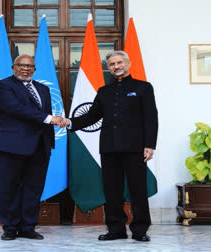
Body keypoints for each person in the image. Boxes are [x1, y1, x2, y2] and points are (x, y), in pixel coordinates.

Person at [67, 50, 158, 242]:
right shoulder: (104, 92)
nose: (116, 66)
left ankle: (140, 230)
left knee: (138, 190)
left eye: (119, 62)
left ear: (128, 63)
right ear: (108, 68)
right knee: (111, 190)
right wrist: (69, 122)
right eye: (112, 64)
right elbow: (91, 117)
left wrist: (150, 145)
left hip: (135, 147)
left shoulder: (143, 87)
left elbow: (151, 118)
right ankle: (116, 229)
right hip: (109, 148)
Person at [0, 54, 66, 240]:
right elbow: (15, 108)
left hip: (40, 145)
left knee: (34, 188)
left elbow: (44, 113)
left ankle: (28, 226)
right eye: (21, 65)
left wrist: (55, 122)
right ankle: (10, 227)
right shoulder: (2, 86)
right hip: (11, 145)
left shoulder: (43, 89)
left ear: (34, 69)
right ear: (13, 67)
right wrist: (49, 119)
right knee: (9, 187)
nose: (26, 68)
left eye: (30, 66)